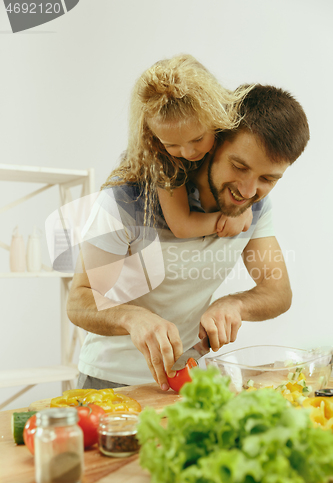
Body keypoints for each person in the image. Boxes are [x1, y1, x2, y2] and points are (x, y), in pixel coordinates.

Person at [67, 83, 309, 392]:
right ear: (213, 142)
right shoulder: (127, 200)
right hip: (107, 380)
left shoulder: (256, 207)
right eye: (239, 166)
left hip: (185, 381)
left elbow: (278, 291)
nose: (248, 191)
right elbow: (79, 299)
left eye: (267, 179)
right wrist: (132, 318)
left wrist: (235, 305)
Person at [102, 55, 253, 239]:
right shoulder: (161, 158)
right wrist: (229, 218)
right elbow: (182, 225)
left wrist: (244, 206)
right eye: (171, 144)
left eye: (198, 139)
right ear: (156, 138)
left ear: (215, 120)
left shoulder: (227, 140)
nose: (188, 153)